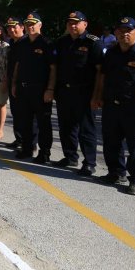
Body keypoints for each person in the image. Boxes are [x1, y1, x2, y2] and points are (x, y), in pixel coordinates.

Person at [92, 16, 135, 195]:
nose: (124, 34)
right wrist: (98, 96)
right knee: (111, 142)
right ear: (116, 32)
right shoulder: (111, 53)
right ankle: (115, 173)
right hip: (111, 106)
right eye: (121, 31)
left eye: (128, 31)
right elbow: (103, 77)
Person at [53, 11, 102, 175]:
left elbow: (100, 72)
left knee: (86, 130)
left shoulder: (93, 43)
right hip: (64, 92)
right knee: (66, 127)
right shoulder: (61, 42)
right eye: (70, 23)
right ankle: (70, 156)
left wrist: (97, 96)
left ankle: (89, 163)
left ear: (85, 24)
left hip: (84, 93)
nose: (72, 25)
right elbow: (55, 67)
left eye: (76, 22)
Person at [11, 12, 56, 163]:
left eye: (33, 24)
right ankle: (27, 148)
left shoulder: (47, 43)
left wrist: (50, 89)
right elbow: (18, 65)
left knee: (43, 123)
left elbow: (53, 68)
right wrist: (14, 83)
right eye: (28, 24)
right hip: (23, 88)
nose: (30, 27)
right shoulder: (22, 43)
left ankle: (44, 153)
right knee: (25, 121)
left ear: (40, 25)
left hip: (40, 89)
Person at [5, 17, 27, 149]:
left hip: (21, 83)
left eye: (14, 26)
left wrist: (14, 82)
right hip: (12, 82)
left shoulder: (26, 42)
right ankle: (19, 139)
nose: (11, 29)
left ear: (22, 27)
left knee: (24, 114)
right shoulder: (12, 43)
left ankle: (27, 142)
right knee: (16, 113)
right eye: (9, 27)